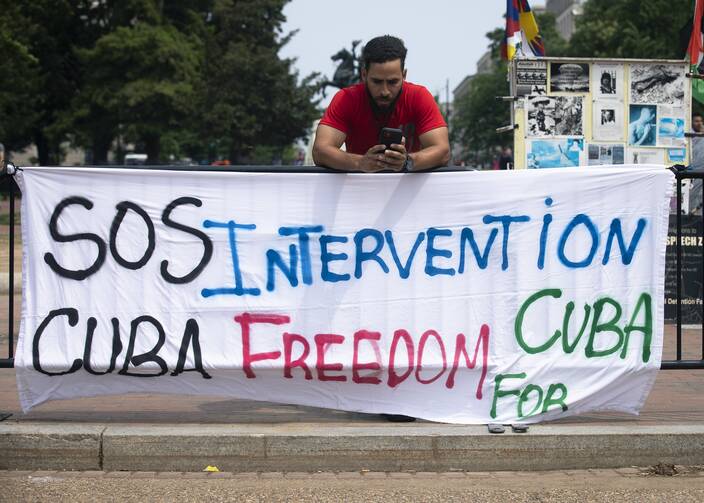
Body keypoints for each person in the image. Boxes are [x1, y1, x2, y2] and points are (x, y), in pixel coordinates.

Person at [312, 35, 449, 172]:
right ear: (364, 75)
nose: (385, 91)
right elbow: (320, 151)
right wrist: (360, 163)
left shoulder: (419, 96)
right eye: (377, 82)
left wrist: (407, 161)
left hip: (406, 189)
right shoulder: (346, 99)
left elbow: (443, 151)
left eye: (392, 82)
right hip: (361, 188)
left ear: (404, 75)